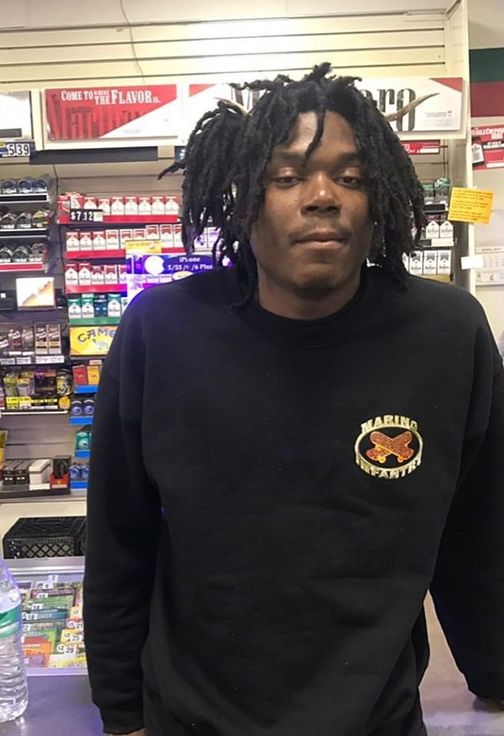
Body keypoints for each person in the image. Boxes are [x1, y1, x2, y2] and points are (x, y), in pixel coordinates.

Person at [83, 63, 504, 736]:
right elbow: (118, 538)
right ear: (244, 198)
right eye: (286, 177)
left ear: (380, 199)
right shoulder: (161, 331)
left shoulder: (448, 335)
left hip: (376, 718)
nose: (322, 196)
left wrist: (496, 674)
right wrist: (121, 713)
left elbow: (479, 537)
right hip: (193, 717)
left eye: (351, 176)